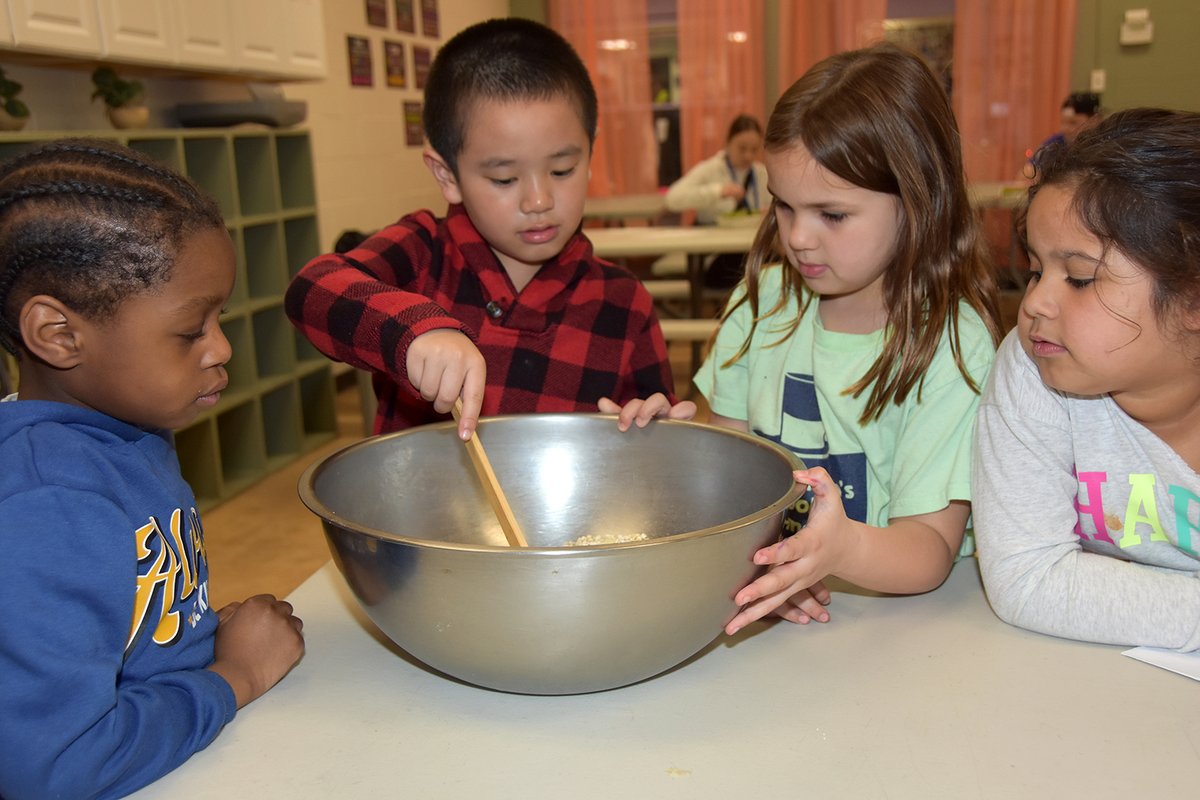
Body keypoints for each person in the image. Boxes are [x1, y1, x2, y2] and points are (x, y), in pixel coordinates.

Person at [613, 43, 1005, 634]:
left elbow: (927, 549)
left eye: (833, 214)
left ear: (919, 201)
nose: (797, 237)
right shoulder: (765, 301)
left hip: (912, 634)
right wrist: (674, 447)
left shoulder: (951, 345)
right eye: (784, 206)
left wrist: (832, 553)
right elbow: (734, 475)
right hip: (793, 615)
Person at [0, 139, 305, 799]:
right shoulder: (45, 507)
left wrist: (189, 645)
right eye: (191, 329)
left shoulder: (123, 429)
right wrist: (235, 678)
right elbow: (55, 768)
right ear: (57, 335)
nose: (221, 346)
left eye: (218, 316)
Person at [286, 18, 684, 440]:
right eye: (504, 179)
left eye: (563, 169)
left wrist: (652, 429)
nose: (538, 201)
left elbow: (653, 453)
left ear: (590, 152)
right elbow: (310, 289)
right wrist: (415, 331)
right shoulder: (424, 253)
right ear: (447, 176)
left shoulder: (624, 303)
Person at [973, 108, 1200, 650]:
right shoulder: (1033, 367)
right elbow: (1027, 577)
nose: (1034, 303)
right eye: (1034, 271)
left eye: (1078, 278)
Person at [664, 113, 769, 288]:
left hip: (751, 249)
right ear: (727, 144)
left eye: (754, 150)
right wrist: (717, 191)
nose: (748, 156)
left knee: (768, 265)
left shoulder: (761, 173)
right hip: (717, 254)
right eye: (742, 148)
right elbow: (672, 198)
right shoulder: (711, 169)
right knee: (749, 269)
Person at [1022, 92, 1102, 178]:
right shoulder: (1057, 142)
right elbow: (1028, 172)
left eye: (1073, 122)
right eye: (1063, 122)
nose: (1065, 129)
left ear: (1095, 120)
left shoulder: (1106, 146)